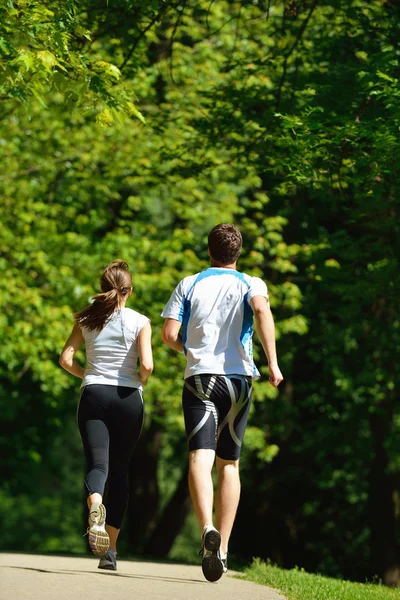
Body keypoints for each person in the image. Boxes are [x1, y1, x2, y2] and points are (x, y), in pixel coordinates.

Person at [161, 224, 283, 582]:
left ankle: (207, 531)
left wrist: (191, 350)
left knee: (200, 457)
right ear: (238, 251)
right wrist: (273, 363)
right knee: (229, 464)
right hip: (239, 380)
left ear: (209, 250)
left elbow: (168, 334)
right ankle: (224, 549)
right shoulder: (252, 283)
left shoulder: (190, 282)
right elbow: (261, 312)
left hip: (200, 379)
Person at [59, 260, 153, 571]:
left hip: (94, 394)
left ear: (103, 289)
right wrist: (140, 379)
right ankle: (110, 551)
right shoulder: (140, 321)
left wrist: (85, 374)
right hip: (128, 398)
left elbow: (65, 358)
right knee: (121, 470)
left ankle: (95, 505)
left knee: (98, 464)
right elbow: (148, 366)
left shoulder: (86, 319)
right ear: (130, 290)